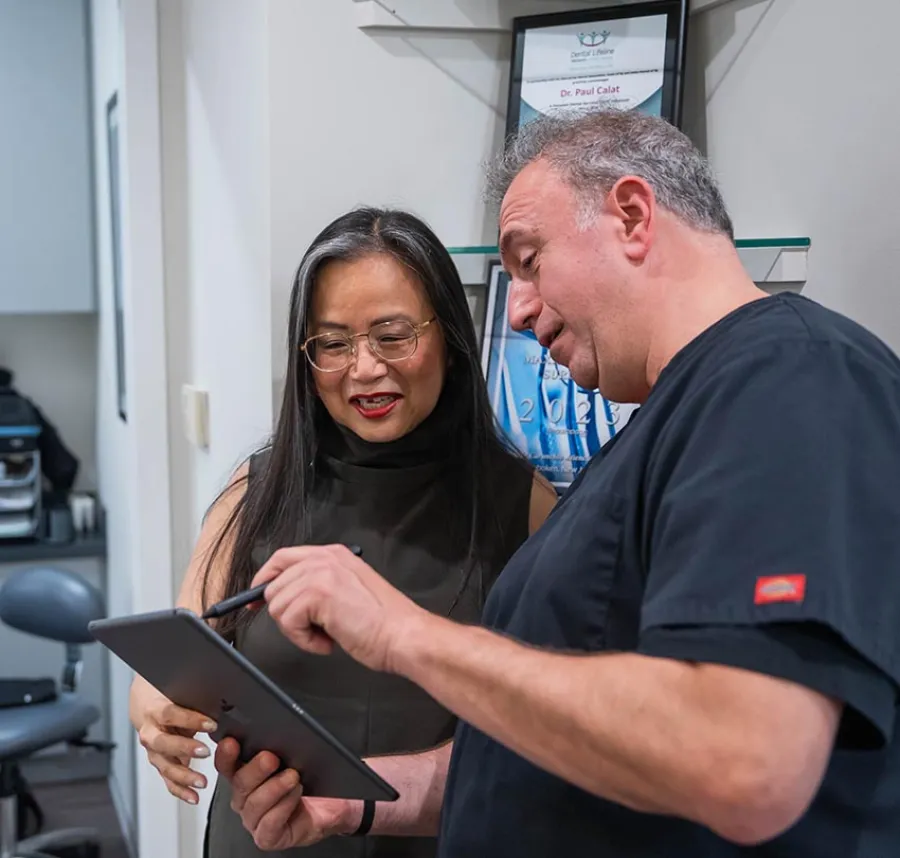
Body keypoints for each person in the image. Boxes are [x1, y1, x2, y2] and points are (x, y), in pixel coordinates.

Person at [215, 108, 900, 858]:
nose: (519, 309)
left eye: (529, 260)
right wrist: (363, 801)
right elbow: (549, 758)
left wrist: (403, 633)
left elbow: (745, 760)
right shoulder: (666, 422)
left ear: (633, 216)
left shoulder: (789, 377)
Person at [127, 206, 558, 858]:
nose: (363, 369)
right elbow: (177, 654)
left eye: (392, 335)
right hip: (262, 840)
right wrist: (153, 707)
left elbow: (545, 733)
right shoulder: (259, 490)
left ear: (450, 337)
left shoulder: (524, 506)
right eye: (332, 343)